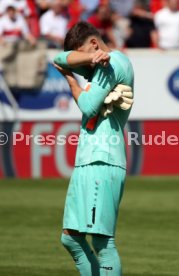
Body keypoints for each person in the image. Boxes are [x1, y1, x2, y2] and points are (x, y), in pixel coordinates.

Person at [53, 21, 134, 275]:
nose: (83, 67)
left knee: (102, 241)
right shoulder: (96, 65)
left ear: (95, 43)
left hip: (103, 159)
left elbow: (88, 106)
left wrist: (71, 81)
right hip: (87, 161)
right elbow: (59, 58)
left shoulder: (113, 64)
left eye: (85, 55)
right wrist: (85, 59)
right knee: (70, 237)